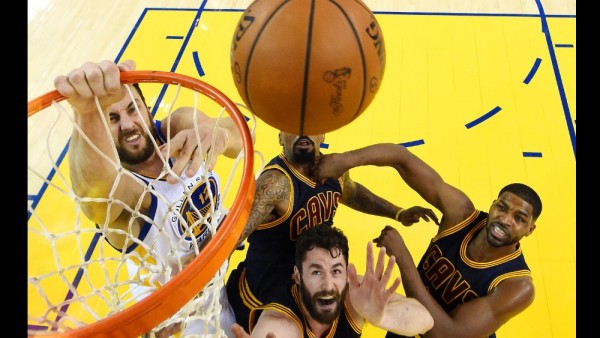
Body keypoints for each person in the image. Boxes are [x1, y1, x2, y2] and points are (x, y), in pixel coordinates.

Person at [53, 59, 247, 337]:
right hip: (179, 319)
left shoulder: (177, 127)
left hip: (220, 283)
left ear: (146, 107)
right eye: (112, 118)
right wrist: (86, 114)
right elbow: (93, 194)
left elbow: (243, 133)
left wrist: (219, 136)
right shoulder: (129, 192)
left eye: (133, 109)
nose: (129, 125)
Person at [312, 143, 542, 338]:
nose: (505, 219)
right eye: (502, 208)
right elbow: (402, 158)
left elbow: (448, 335)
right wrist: (345, 160)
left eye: (519, 218)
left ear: (529, 230)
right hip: (409, 324)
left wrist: (403, 258)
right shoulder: (461, 215)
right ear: (492, 205)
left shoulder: (517, 286)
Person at [226, 132, 439, 331]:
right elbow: (230, 236)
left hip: (313, 293)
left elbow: (353, 193)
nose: (304, 132)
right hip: (262, 301)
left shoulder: (333, 170)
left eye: (312, 126)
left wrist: (398, 213)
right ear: (280, 137)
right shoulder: (275, 184)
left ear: (324, 135)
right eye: (294, 126)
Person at [230, 223, 434, 338]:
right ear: (297, 276)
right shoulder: (282, 324)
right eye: (316, 272)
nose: (328, 285)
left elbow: (426, 320)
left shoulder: (356, 295)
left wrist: (382, 318)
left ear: (346, 274)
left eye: (336, 271)